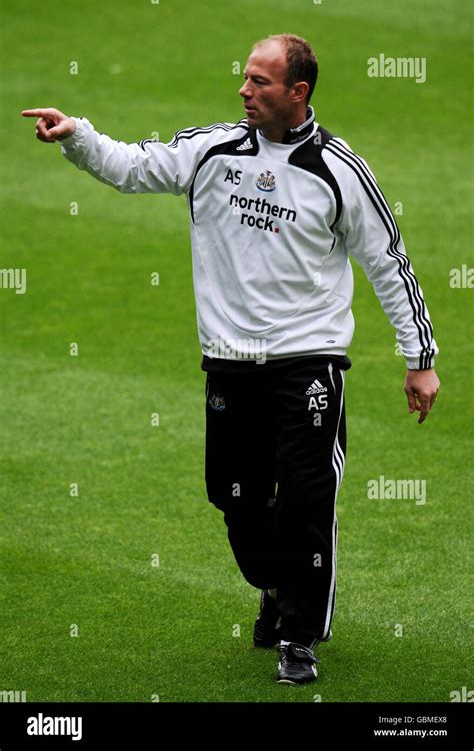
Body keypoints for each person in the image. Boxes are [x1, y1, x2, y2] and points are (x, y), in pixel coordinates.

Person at [22, 33, 440, 685]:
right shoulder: (211, 150)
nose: (245, 91)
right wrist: (77, 135)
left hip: (309, 362)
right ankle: (276, 585)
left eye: (261, 82)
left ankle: (299, 636)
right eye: (245, 79)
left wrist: (420, 359)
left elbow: (388, 262)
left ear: (297, 93)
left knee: (307, 497)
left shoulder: (340, 170)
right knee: (234, 496)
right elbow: (135, 166)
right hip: (229, 361)